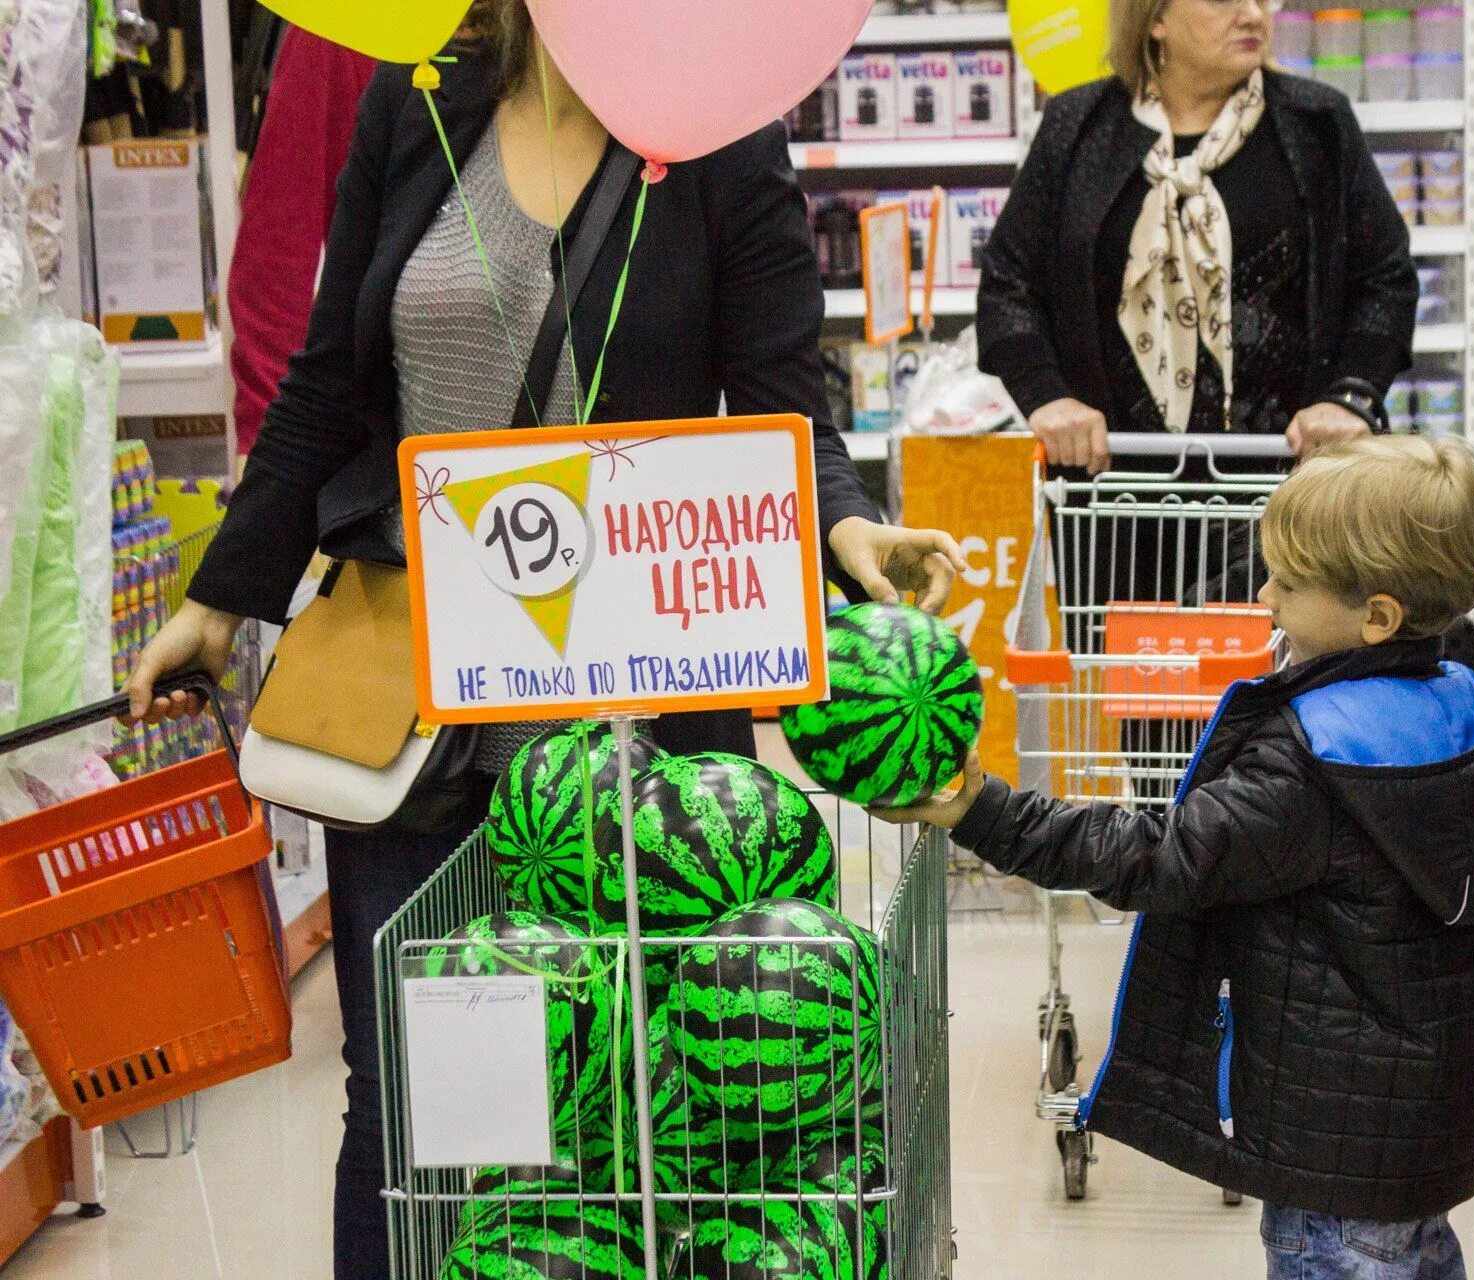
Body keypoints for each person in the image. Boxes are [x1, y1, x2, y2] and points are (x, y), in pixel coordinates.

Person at [124, 6, 962, 1277]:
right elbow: (325, 380)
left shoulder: (722, 138)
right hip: (423, 719)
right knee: (414, 1097)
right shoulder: (416, 107)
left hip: (644, 747)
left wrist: (848, 536)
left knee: (632, 1108)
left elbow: (791, 406)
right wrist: (217, 598)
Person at [881, 436, 1474, 1280]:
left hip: (1329, 1160)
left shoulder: (1316, 766)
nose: (1263, 596)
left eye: (1289, 585)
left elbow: (1157, 858)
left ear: (1376, 618)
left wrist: (986, 811)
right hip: (1417, 1138)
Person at [976, 0, 1419, 474]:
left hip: (1289, 492)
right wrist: (1047, 396)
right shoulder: (1077, 128)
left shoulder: (1316, 123)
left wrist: (1350, 397)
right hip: (1111, 494)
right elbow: (1009, 285)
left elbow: (1385, 277)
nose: (1252, 14)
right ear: (1156, 19)